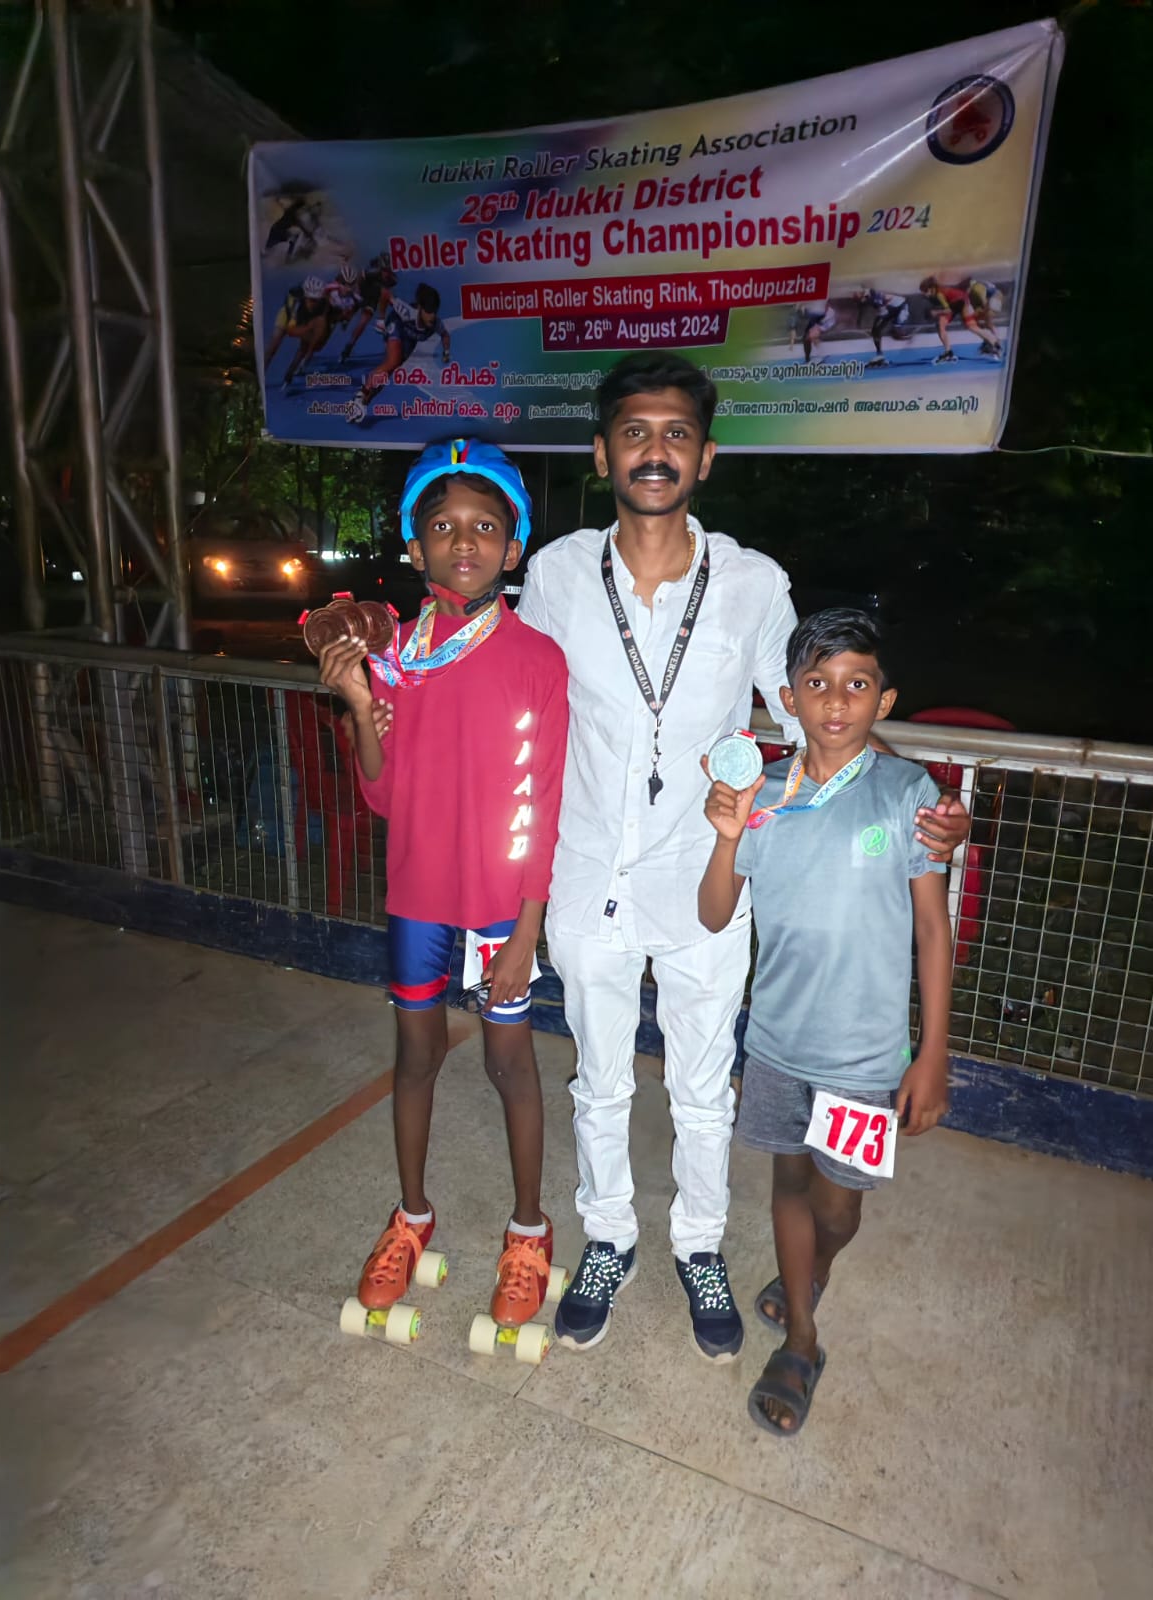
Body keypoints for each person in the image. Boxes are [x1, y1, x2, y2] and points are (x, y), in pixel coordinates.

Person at [515, 352, 968, 1362]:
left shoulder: (752, 583)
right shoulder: (553, 575)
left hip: (708, 877)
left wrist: (918, 798)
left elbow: (815, 718)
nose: (655, 451)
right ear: (602, 453)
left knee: (705, 1085)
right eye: (635, 432)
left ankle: (698, 1245)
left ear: (706, 457)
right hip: (589, 876)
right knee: (598, 1079)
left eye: (676, 434)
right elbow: (519, 709)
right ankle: (610, 1237)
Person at [318, 438, 569, 1342]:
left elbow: (544, 803)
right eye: (442, 525)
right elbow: (383, 794)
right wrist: (357, 704)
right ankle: (412, 1216)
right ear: (415, 547)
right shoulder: (398, 659)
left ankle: (529, 1231)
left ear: (512, 549)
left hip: (502, 902)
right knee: (416, 1057)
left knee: (511, 1066)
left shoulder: (537, 658)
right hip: (419, 897)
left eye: (485, 525)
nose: (463, 539)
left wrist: (528, 933)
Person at [698, 608, 953, 1436]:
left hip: (867, 1055)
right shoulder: (765, 796)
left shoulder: (907, 792)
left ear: (884, 701)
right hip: (775, 1042)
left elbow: (930, 927)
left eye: (856, 684)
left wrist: (932, 1054)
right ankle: (803, 1341)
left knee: (838, 1208)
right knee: (787, 1186)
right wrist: (726, 838)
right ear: (786, 700)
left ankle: (817, 1267)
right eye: (817, 684)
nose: (835, 701)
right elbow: (712, 915)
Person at [354, 282, 452, 409]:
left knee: (387, 374)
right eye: (428, 311)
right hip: (396, 325)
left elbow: (445, 336)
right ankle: (361, 393)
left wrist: (446, 353)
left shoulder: (436, 324)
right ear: (420, 308)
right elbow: (385, 293)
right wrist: (381, 319)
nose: (431, 316)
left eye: (434, 311)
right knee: (393, 361)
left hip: (409, 340)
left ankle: (363, 403)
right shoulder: (407, 312)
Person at [263, 275, 329, 385]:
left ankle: (290, 372)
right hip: (288, 316)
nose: (313, 303)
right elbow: (291, 330)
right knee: (273, 346)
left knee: (306, 344)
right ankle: (261, 373)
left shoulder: (323, 304)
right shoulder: (296, 301)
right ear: (305, 296)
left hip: (306, 318)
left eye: (316, 301)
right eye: (311, 300)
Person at [919, 276, 999, 362]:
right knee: (940, 325)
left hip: (962, 303)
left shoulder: (939, 294)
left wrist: (935, 312)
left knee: (971, 326)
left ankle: (994, 342)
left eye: (925, 291)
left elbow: (947, 310)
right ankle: (948, 352)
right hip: (955, 304)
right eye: (923, 292)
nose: (924, 294)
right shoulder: (934, 294)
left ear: (932, 288)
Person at [855, 287, 911, 367]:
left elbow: (882, 311)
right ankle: (879, 354)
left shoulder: (875, 299)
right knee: (876, 330)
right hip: (893, 308)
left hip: (899, 307)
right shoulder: (871, 298)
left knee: (879, 329)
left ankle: (880, 354)